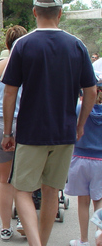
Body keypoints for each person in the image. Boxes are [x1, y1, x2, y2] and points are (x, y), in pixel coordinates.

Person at [2, 0, 97, 246]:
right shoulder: (77, 46)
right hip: (64, 132)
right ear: (61, 13)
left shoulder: (23, 44)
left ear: (34, 12)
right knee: (51, 191)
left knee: (22, 190)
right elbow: (90, 91)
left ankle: (36, 245)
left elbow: (10, 93)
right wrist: (79, 125)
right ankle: (41, 242)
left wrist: (8, 132)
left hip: (31, 133)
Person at [0, 25, 27, 240]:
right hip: (26, 125)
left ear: (7, 44)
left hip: (0, 123)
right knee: (24, 179)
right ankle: (23, 219)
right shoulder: (30, 67)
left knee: (3, 180)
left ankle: (5, 226)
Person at [65, 84, 102, 246]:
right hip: (100, 161)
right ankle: (99, 235)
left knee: (83, 201)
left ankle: (83, 240)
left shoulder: (80, 108)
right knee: (98, 200)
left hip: (79, 158)